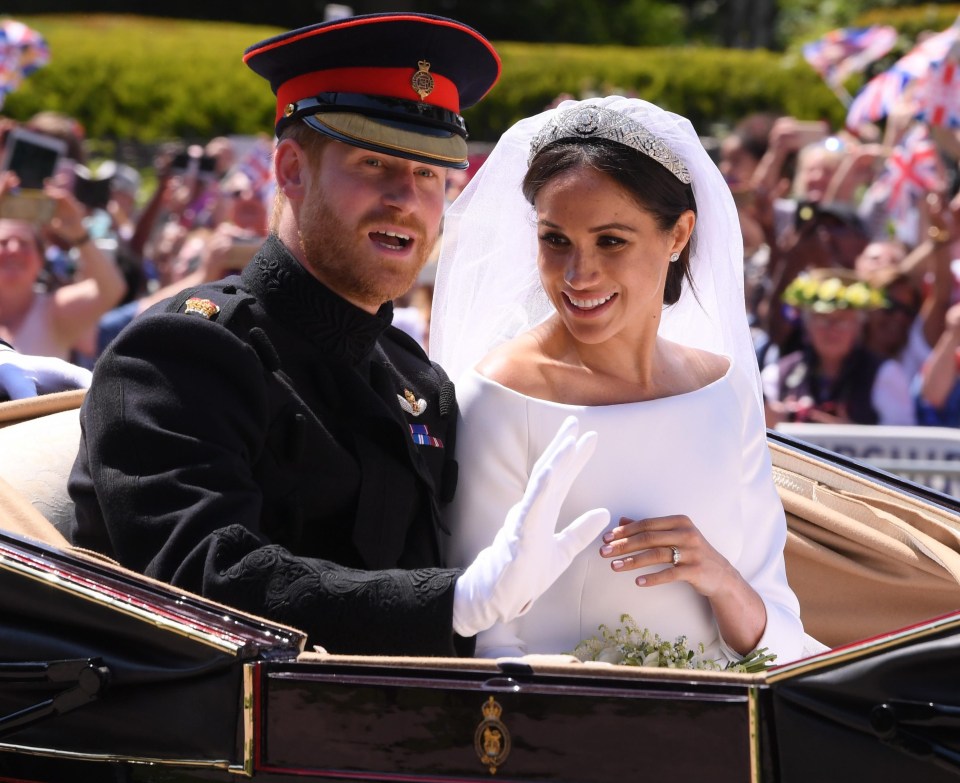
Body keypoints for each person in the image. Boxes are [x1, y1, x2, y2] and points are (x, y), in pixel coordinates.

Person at [67, 13, 610, 657]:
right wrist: (457, 603)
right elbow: (204, 579)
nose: (406, 199)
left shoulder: (415, 378)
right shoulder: (180, 356)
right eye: (375, 162)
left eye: (431, 174)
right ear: (292, 169)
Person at [431, 96, 810, 665]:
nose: (579, 275)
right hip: (561, 733)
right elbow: (481, 637)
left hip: (724, 723)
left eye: (612, 240)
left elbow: (780, 631)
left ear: (679, 234)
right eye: (555, 240)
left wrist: (720, 577)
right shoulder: (502, 394)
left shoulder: (724, 389)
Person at [762, 268, 915, 426]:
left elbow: (903, 440)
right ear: (807, 325)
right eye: (822, 319)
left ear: (858, 326)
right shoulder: (778, 374)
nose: (832, 329)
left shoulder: (886, 375)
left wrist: (849, 434)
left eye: (842, 321)